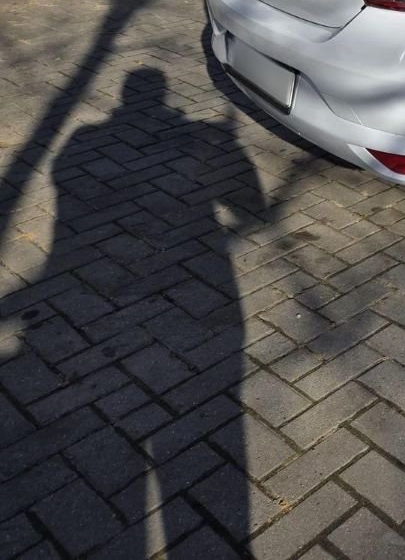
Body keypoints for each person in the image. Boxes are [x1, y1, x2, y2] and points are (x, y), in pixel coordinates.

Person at [0, 67, 267, 556]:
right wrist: (222, 147)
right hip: (205, 291)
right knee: (218, 412)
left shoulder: (81, 139)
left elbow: (66, 190)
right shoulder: (197, 135)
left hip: (70, 290)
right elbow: (251, 210)